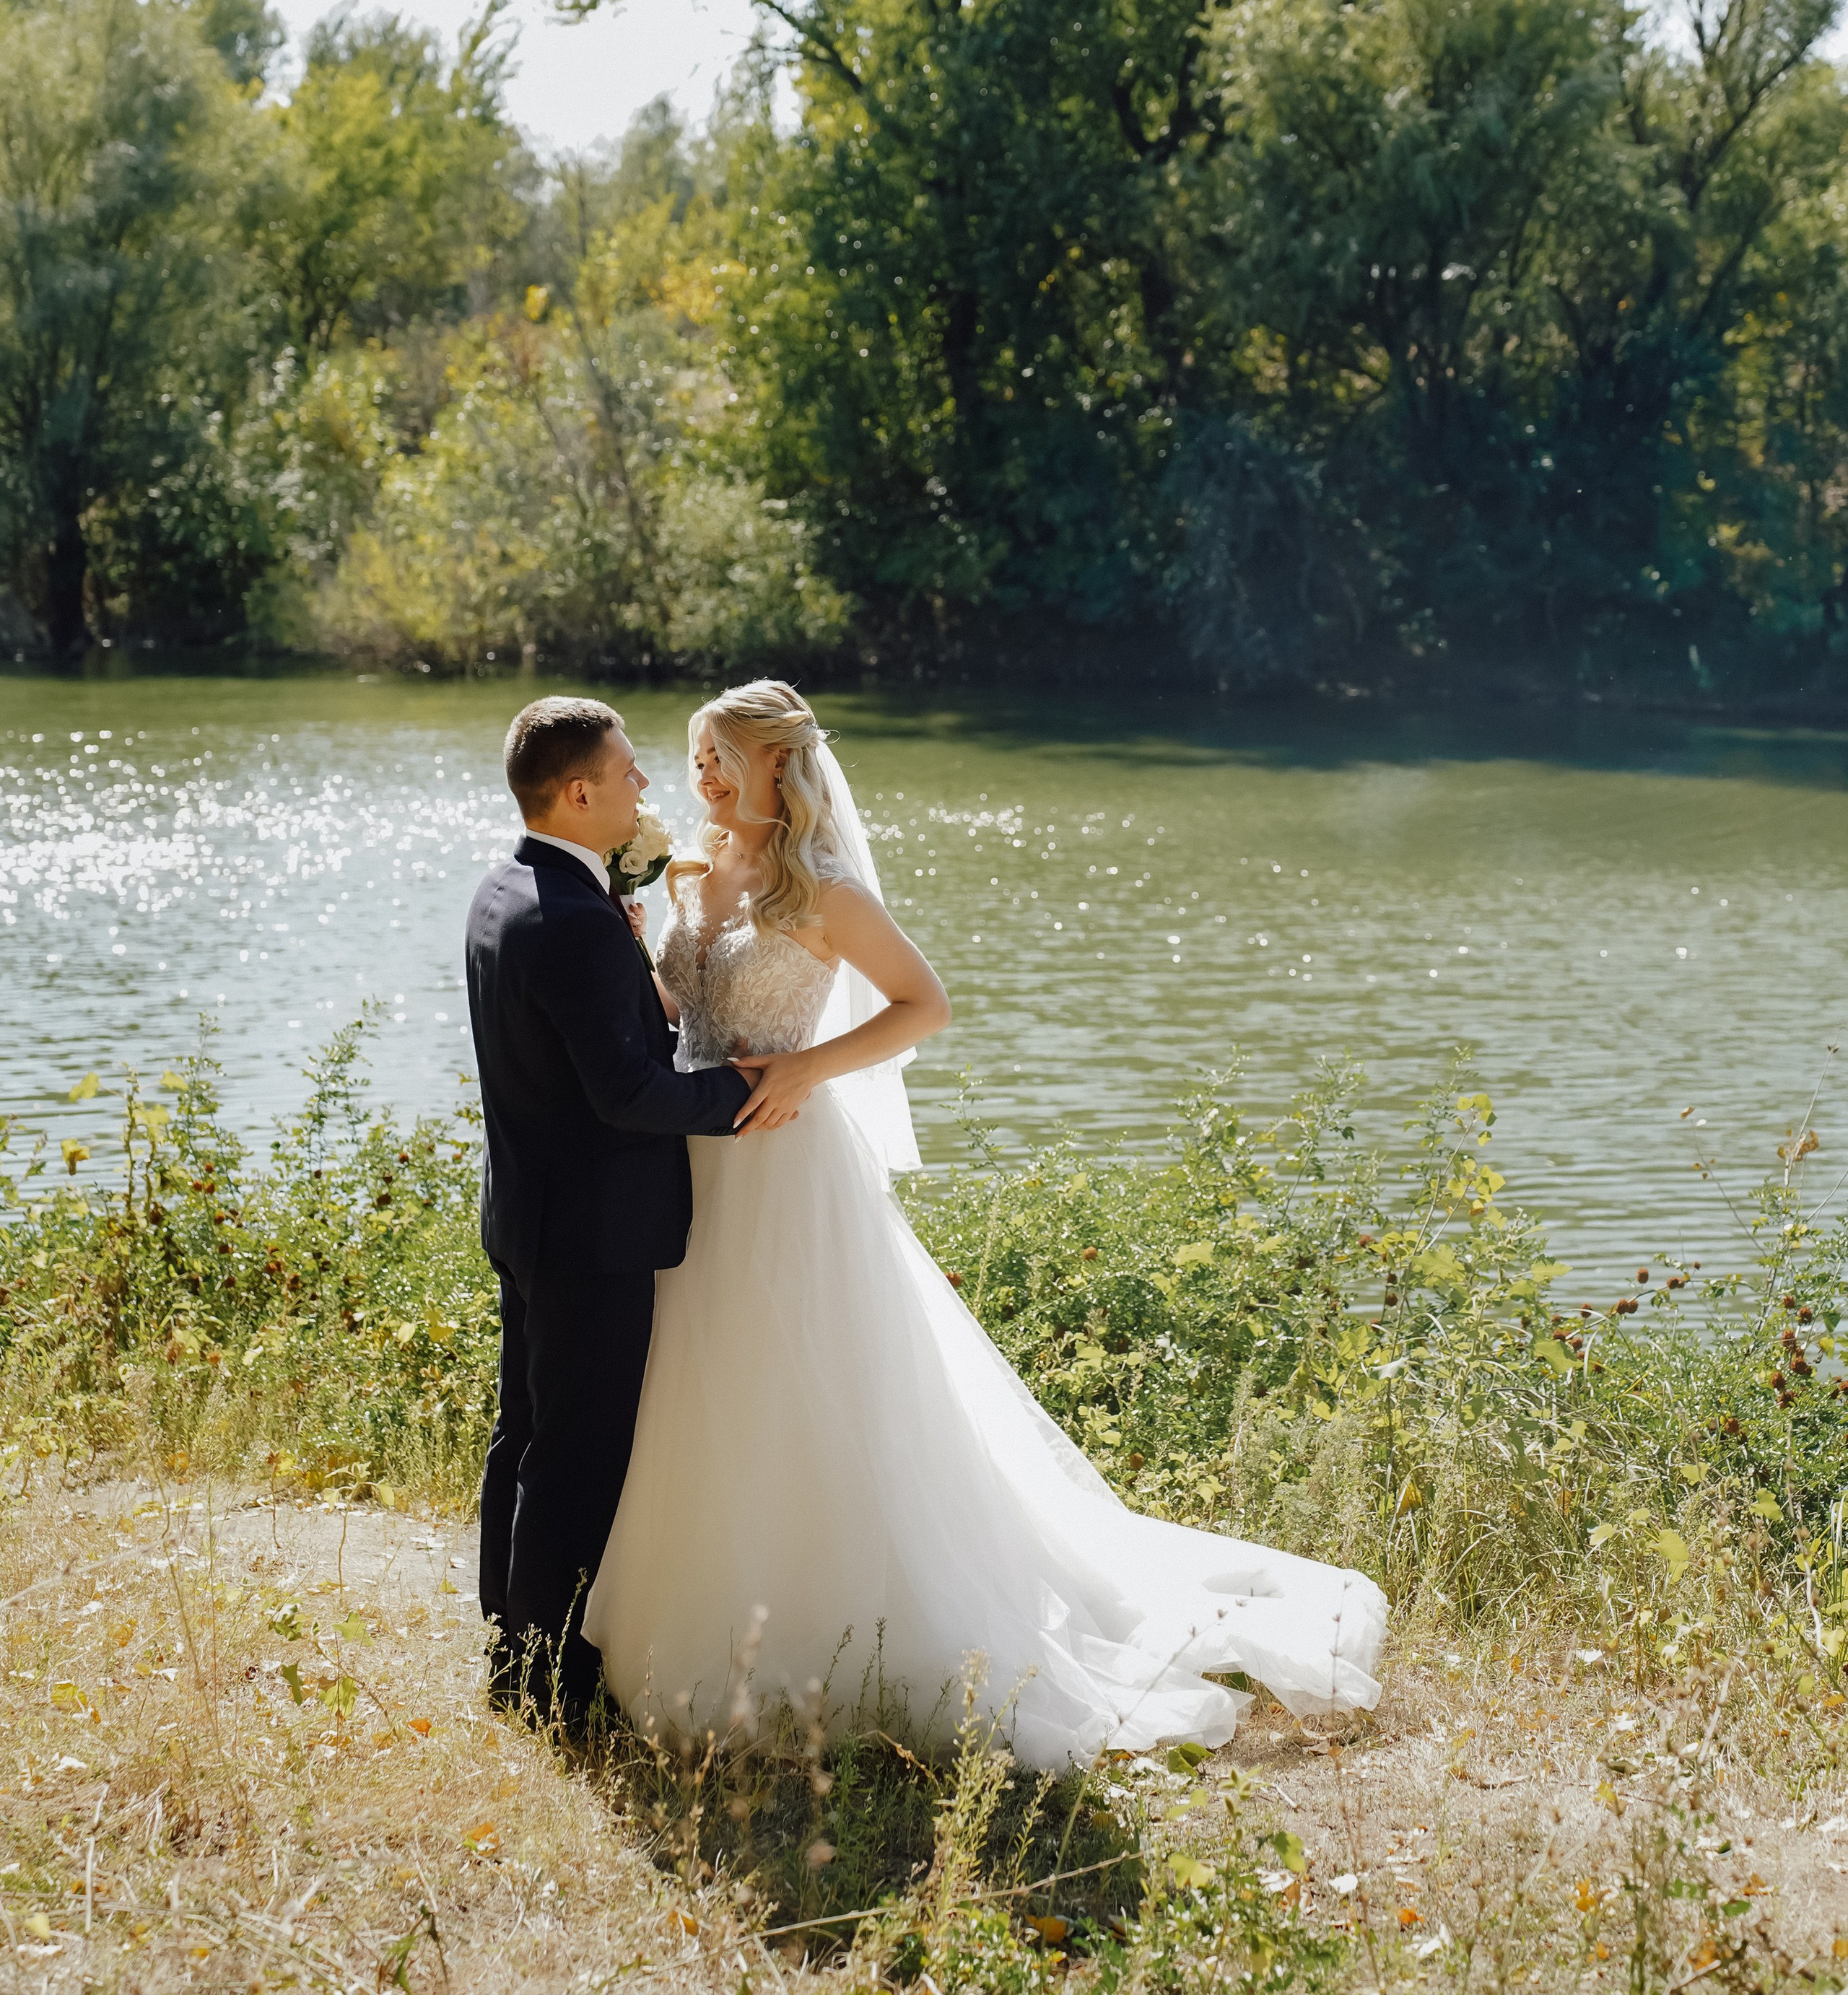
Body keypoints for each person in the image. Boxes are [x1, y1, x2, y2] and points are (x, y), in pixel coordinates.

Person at [583, 679, 1385, 1771]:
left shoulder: (821, 890)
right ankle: (698, 1619)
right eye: (696, 755)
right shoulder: (685, 871)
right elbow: (685, 1014)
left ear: (778, 763)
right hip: (694, 1160)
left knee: (800, 1381)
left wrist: (811, 1067)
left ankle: (839, 1628)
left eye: (721, 754)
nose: (703, 774)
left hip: (787, 1164)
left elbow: (926, 1005)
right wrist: (638, 947)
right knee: (700, 1374)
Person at [464, 696, 758, 1723]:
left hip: (532, 1216)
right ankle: (546, 1683)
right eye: (631, 773)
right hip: (590, 1233)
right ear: (579, 792)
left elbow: (591, 1049)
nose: (645, 787)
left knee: (526, 1438)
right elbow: (629, 1094)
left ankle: (512, 1651)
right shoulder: (574, 918)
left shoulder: (513, 887)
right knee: (577, 1457)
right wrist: (750, 1092)